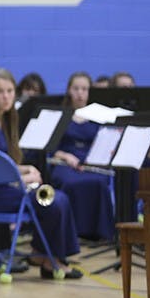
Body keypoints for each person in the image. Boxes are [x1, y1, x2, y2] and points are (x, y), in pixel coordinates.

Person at [0, 69, 82, 278]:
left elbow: (0, 162)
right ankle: (50, 259)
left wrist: (25, 169)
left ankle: (44, 254)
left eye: (10, 91)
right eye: (0, 91)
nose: (6, 96)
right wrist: (26, 178)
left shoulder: (1, 119)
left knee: (58, 199)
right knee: (55, 200)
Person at [48, 72, 115, 241]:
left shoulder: (98, 117)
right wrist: (65, 156)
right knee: (69, 183)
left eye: (84, 89)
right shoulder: (61, 116)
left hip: (91, 163)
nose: (80, 93)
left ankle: (99, 233)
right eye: (76, 88)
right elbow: (50, 147)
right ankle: (71, 233)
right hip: (64, 162)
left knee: (99, 183)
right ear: (69, 91)